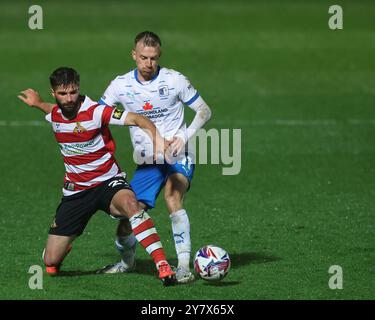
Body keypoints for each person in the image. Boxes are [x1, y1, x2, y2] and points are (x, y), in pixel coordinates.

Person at [17, 67, 176, 286]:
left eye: (73, 92)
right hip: (76, 191)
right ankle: (65, 242)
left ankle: (162, 265)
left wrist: (157, 138)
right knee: (51, 263)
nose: (69, 98)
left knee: (132, 204)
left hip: (108, 182)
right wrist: (37, 103)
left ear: (78, 88)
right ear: (54, 93)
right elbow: (52, 110)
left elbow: (138, 119)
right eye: (63, 94)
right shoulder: (55, 114)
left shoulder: (96, 111)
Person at [96, 31, 212, 283]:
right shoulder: (120, 85)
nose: (149, 64)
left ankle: (183, 266)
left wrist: (185, 136)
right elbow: (97, 114)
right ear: (134, 55)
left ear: (159, 56)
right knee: (130, 215)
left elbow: (204, 110)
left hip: (179, 152)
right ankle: (127, 263)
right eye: (144, 58)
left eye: (154, 58)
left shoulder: (174, 80)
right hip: (148, 160)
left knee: (173, 195)